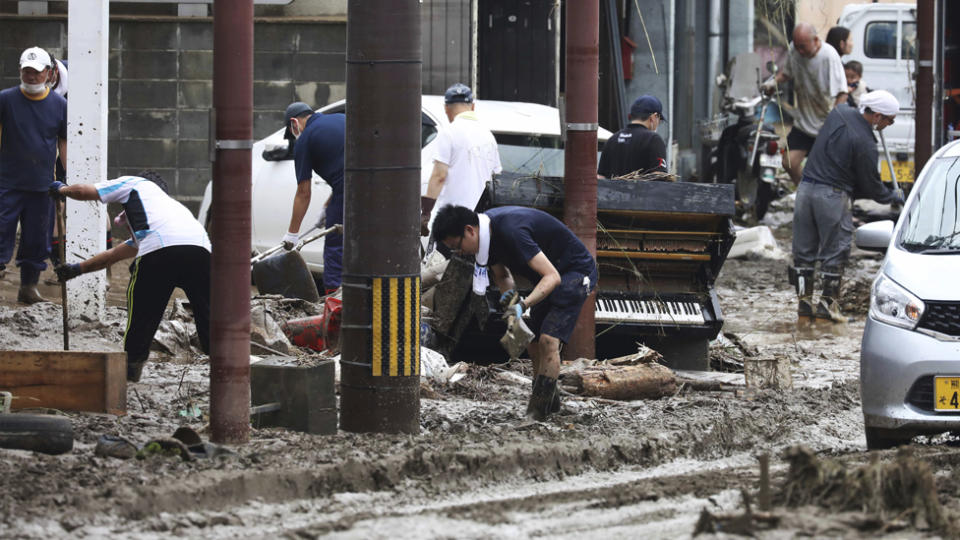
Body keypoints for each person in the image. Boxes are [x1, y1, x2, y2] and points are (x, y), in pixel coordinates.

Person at [432, 204, 597, 420]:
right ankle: (549, 401)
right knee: (533, 340)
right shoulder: (486, 238)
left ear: (469, 230)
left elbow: (553, 277)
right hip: (547, 277)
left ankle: (537, 412)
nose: (460, 253)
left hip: (575, 273)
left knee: (548, 340)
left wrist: (524, 305)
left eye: (458, 246)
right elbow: (502, 276)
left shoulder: (512, 231)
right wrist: (511, 309)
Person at [50, 171, 211, 383]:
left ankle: (131, 369)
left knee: (142, 314)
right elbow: (111, 256)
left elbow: (85, 191)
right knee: (211, 315)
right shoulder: (171, 215)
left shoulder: (134, 183)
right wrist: (76, 269)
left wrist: (62, 190)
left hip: (160, 254)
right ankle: (223, 364)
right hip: (203, 254)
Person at [789, 90, 903, 323]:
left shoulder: (839, 113)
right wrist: (892, 195)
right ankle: (827, 307)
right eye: (889, 120)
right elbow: (871, 187)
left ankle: (803, 305)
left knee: (804, 253)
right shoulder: (865, 143)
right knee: (836, 251)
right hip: (831, 196)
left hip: (805, 190)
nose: (889, 125)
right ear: (878, 116)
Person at [0, 46, 67, 304]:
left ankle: (28, 287)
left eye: (36, 72)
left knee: (37, 238)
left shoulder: (60, 105)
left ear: (48, 73)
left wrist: (65, 178)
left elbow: (63, 141)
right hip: (7, 181)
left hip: (42, 184)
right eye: (26, 71)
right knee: (1, 230)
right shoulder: (5, 99)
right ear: (20, 71)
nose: (31, 76)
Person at [764, 23, 848, 186]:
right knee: (788, 162)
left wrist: (834, 123)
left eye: (803, 47)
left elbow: (842, 94)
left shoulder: (829, 56)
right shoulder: (794, 50)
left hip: (825, 124)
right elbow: (786, 73)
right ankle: (804, 191)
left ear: (816, 40)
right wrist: (772, 82)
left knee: (823, 170)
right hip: (803, 122)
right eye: (797, 46)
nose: (799, 51)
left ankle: (820, 196)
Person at [420, 83, 502, 237]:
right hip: (480, 223)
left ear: (446, 108)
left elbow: (439, 176)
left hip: (452, 220)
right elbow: (497, 177)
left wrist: (425, 213)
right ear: (473, 107)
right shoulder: (488, 136)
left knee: (441, 261)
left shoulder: (449, 132)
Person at [281, 101, 346, 292]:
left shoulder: (305, 139)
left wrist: (292, 234)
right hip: (379, 184)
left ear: (294, 123)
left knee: (335, 245)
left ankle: (334, 302)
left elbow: (303, 192)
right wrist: (328, 206)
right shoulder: (341, 119)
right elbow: (345, 167)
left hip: (348, 191)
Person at [597, 95, 667, 179]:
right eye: (659, 120)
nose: (658, 124)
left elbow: (600, 178)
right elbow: (659, 178)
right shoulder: (653, 140)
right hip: (641, 192)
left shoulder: (612, 140)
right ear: (654, 117)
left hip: (613, 192)